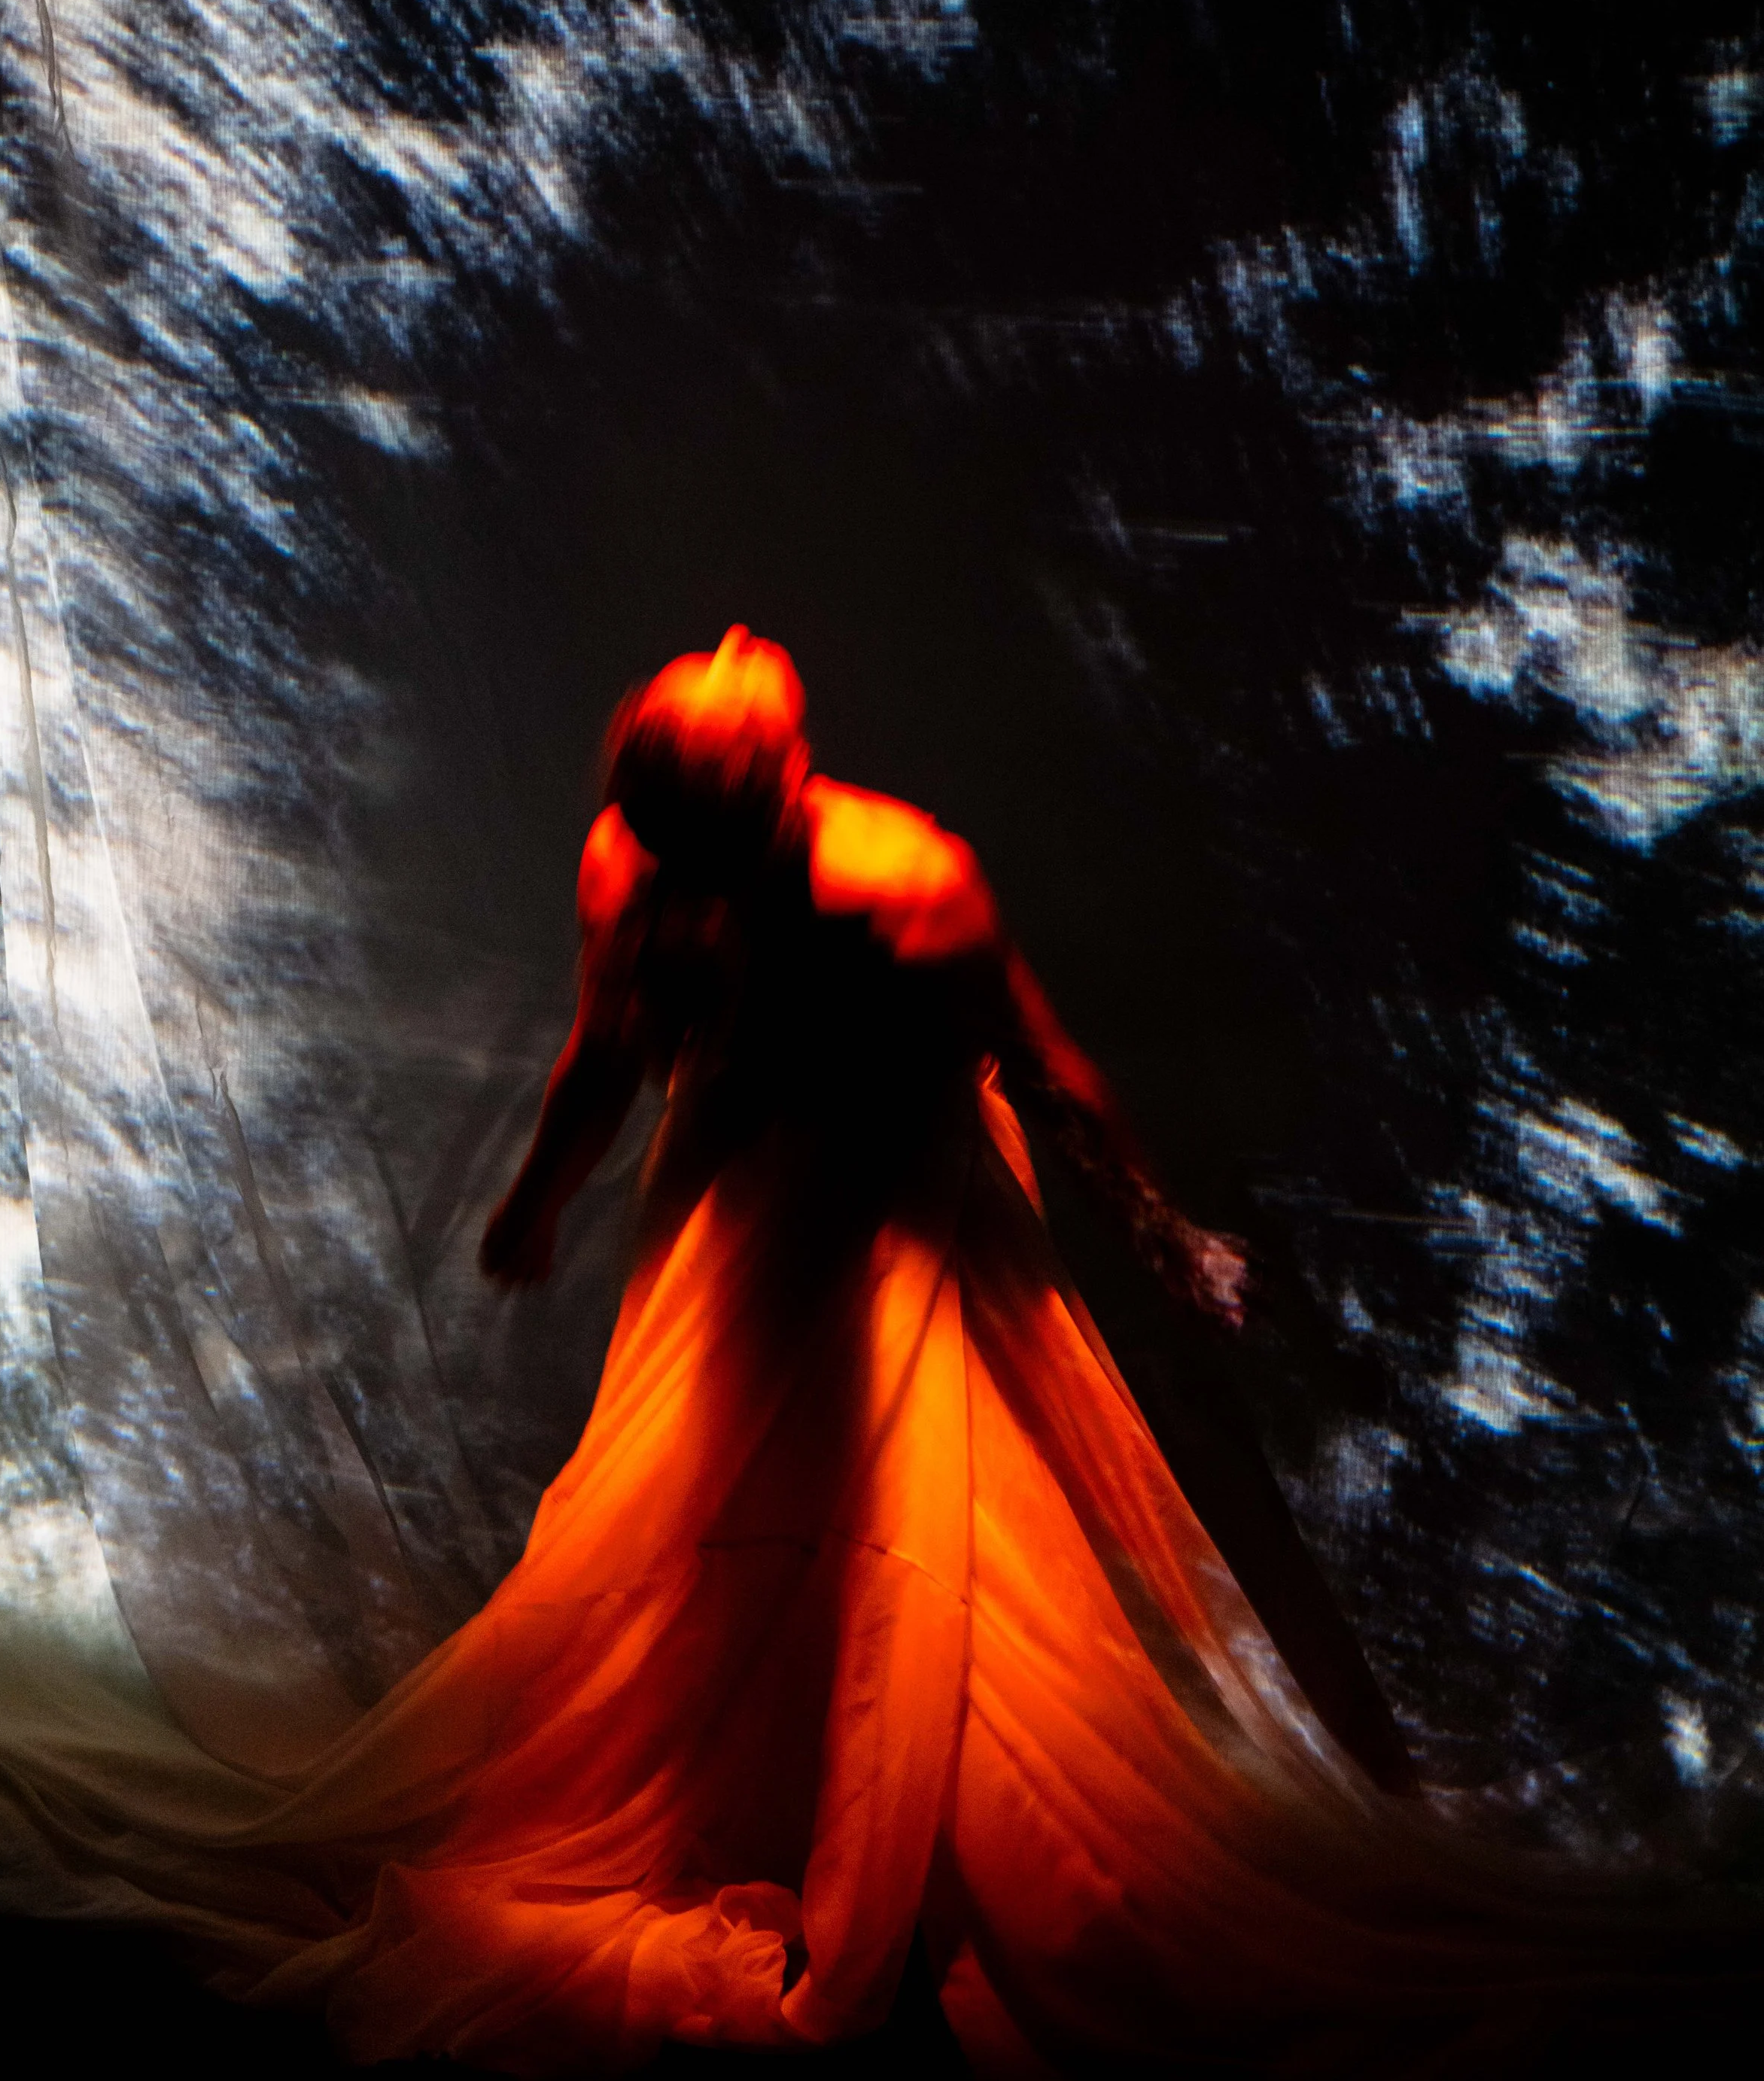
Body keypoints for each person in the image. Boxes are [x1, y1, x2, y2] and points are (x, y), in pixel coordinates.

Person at [211, 628, 1753, 2072]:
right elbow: (998, 1062)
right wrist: (539, 1196)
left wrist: (539, 1201)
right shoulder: (855, 877)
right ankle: (828, 1806)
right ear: (777, 782)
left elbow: (637, 1056)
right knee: (807, 1515)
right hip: (822, 1216)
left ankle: (855, 1805)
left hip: (791, 1210)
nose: (735, 639)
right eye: (723, 685)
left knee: (845, 1518)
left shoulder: (685, 858)